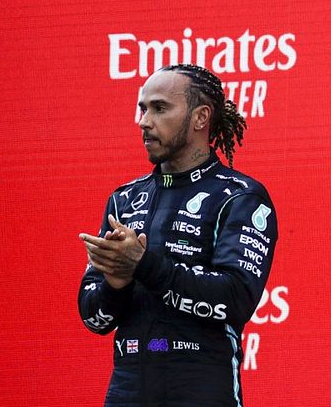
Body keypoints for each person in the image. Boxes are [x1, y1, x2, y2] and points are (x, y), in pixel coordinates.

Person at [78, 63, 278, 407]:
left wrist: (143, 265)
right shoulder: (124, 199)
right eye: (142, 108)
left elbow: (236, 299)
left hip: (200, 383)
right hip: (128, 383)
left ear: (201, 117)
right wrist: (116, 284)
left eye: (159, 108)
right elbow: (94, 318)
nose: (143, 121)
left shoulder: (239, 196)